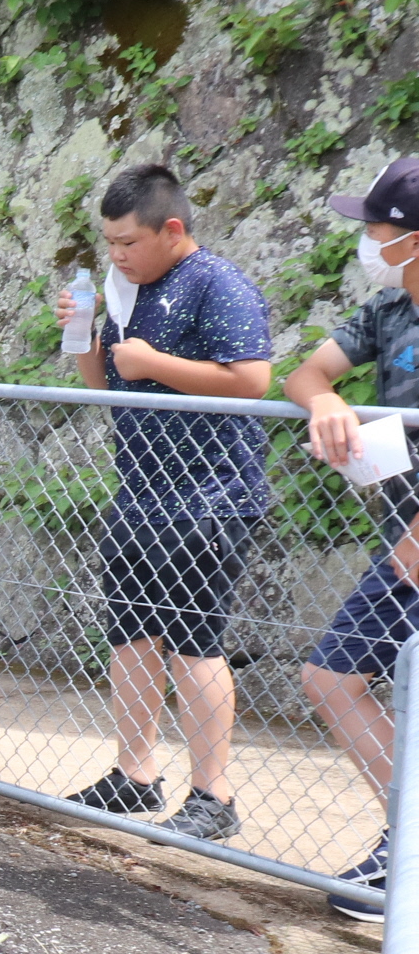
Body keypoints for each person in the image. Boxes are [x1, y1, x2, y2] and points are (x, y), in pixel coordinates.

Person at [50, 161, 277, 842]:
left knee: (194, 644)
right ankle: (135, 775)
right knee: (129, 635)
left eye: (128, 242)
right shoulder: (126, 289)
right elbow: (108, 385)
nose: (116, 255)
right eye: (109, 243)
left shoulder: (217, 283)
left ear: (171, 229)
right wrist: (87, 339)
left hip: (209, 495)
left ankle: (214, 795)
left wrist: (155, 364)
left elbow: (253, 380)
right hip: (139, 490)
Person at [288, 158, 419, 917]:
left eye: (374, 229)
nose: (365, 243)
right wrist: (327, 403)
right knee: (333, 677)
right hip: (402, 538)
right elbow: (305, 374)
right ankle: (410, 842)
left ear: (412, 240)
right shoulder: (390, 309)